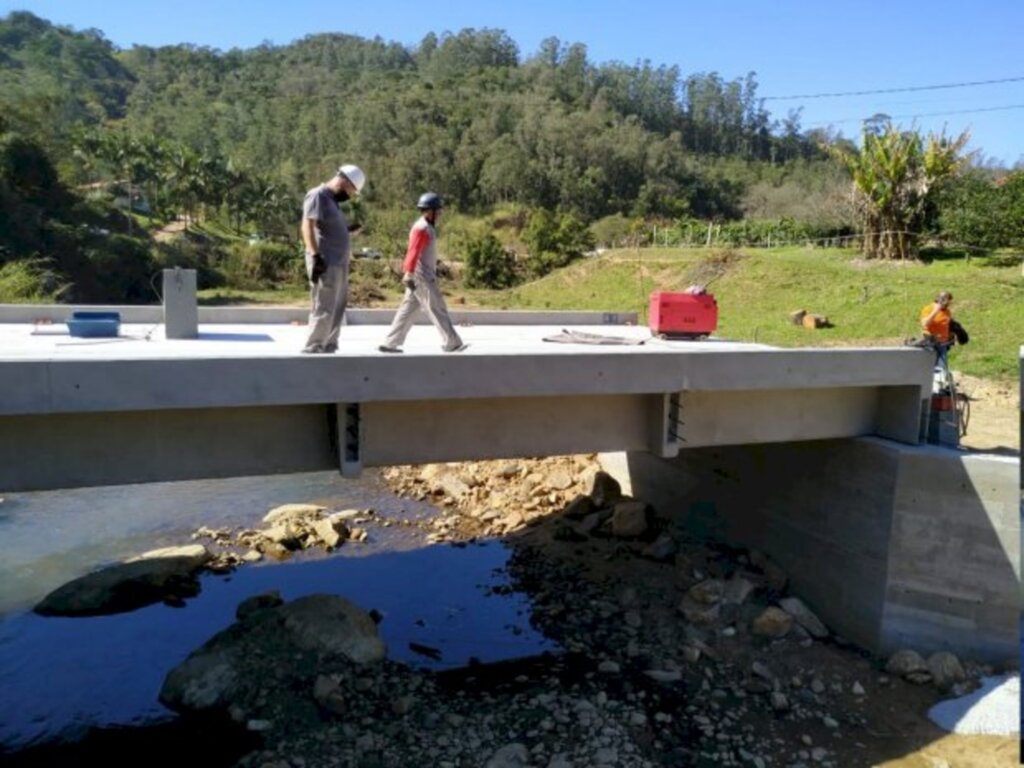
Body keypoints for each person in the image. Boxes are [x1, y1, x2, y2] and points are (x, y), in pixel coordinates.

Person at [378, 192, 466, 353]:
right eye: (437, 211)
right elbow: (413, 252)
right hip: (422, 277)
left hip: (419, 275)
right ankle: (451, 341)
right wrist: (408, 273)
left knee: (408, 309)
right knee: (436, 307)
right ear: (429, 211)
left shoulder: (427, 227)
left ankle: (390, 342)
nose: (440, 214)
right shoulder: (422, 228)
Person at [300, 164, 365, 354]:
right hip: (325, 261)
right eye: (350, 190)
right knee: (324, 304)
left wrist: (348, 230)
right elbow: (307, 226)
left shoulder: (332, 201)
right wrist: (315, 255)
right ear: (344, 181)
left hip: (339, 263)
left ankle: (329, 344)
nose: (350, 195)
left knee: (337, 306)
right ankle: (314, 345)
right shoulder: (317, 195)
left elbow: (329, 228)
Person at [919, 290, 954, 366]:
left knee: (941, 368)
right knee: (929, 367)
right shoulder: (928, 308)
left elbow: (945, 325)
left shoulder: (947, 311)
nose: (948, 303)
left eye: (949, 301)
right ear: (939, 299)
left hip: (943, 344)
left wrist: (950, 335)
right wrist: (935, 310)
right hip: (930, 343)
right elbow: (924, 323)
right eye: (946, 300)